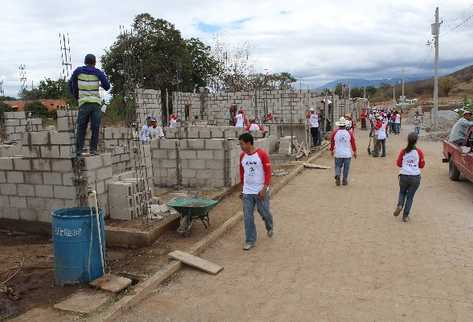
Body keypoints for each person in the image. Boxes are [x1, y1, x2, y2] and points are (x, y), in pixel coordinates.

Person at [69, 54, 110, 156]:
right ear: (95, 62)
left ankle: (79, 151)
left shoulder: (78, 71)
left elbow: (71, 84)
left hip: (83, 104)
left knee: (81, 127)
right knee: (95, 127)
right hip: (95, 104)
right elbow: (107, 86)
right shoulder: (98, 72)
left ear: (85, 62)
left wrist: (76, 95)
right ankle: (93, 150)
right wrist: (100, 83)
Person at [239, 132, 274, 251]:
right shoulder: (242, 156)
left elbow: (268, 172)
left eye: (242, 144)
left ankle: (269, 224)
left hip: (260, 190)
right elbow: (242, 173)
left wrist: (264, 188)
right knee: (248, 216)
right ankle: (250, 240)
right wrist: (242, 189)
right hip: (247, 192)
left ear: (249, 143)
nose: (241, 146)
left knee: (264, 212)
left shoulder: (262, 154)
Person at [394, 132, 425, 222]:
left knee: (402, 192)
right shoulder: (419, 152)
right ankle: (405, 216)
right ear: (416, 141)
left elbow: (398, 163)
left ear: (408, 140)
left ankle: (400, 205)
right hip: (415, 177)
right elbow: (422, 165)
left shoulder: (403, 151)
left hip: (404, 175)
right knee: (410, 197)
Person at [330, 117, 357, 186]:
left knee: (337, 166)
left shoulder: (335, 133)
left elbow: (332, 142)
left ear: (339, 125)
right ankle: (344, 180)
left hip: (338, 153)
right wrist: (355, 151)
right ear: (345, 125)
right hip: (347, 154)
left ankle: (338, 175)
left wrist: (332, 150)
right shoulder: (349, 133)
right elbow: (353, 143)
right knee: (346, 167)